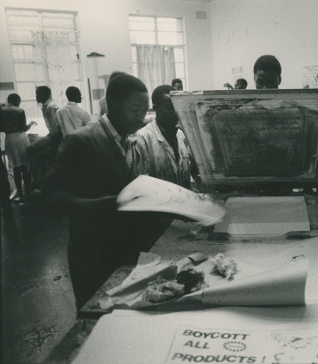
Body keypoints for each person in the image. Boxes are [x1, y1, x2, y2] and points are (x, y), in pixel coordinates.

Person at [44, 74, 172, 308]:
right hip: (92, 254)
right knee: (95, 316)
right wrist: (104, 204)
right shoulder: (81, 141)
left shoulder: (128, 140)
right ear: (112, 104)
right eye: (134, 109)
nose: (141, 117)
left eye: (144, 110)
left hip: (122, 249)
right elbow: (52, 199)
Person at [131, 85, 196, 189]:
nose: (175, 112)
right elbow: (142, 185)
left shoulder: (181, 135)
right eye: (170, 108)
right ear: (156, 109)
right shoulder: (142, 139)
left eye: (177, 107)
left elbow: (187, 177)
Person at [0, 94, 37, 202]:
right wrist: (31, 123)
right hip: (21, 138)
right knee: (25, 166)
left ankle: (20, 194)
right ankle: (27, 192)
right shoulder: (20, 110)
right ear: (17, 101)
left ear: (8, 100)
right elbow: (24, 128)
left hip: (10, 139)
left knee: (16, 168)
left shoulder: (2, 110)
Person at [26, 85, 62, 191]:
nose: (36, 96)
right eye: (36, 94)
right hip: (52, 135)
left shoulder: (52, 106)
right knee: (39, 151)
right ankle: (40, 176)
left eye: (38, 94)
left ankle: (37, 177)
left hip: (56, 136)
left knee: (31, 149)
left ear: (46, 95)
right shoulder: (45, 106)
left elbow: (56, 129)